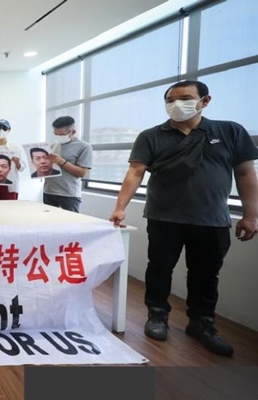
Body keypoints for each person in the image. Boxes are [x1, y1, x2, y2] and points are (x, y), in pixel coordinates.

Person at [109, 80, 258, 357]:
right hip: (164, 217)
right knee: (159, 268)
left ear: (205, 100)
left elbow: (246, 173)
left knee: (206, 274)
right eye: (170, 100)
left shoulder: (229, 131)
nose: (177, 105)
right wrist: (120, 207)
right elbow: (135, 172)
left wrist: (251, 215)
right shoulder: (151, 136)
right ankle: (157, 315)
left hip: (211, 218)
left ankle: (202, 322)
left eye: (186, 98)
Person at [42, 116, 92, 212]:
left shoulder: (84, 147)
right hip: (49, 191)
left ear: (73, 132)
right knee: (49, 220)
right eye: (55, 134)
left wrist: (61, 162)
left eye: (62, 134)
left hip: (69, 194)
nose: (58, 137)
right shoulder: (52, 146)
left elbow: (82, 173)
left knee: (71, 221)